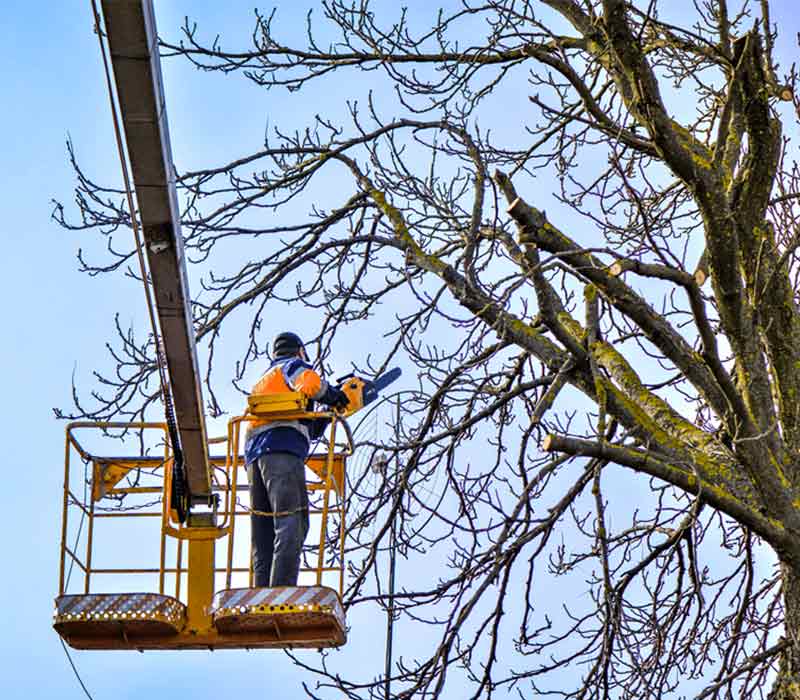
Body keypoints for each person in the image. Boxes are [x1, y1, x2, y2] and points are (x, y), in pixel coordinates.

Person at [244, 331, 349, 587]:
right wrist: (335, 395)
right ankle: (280, 591)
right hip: (282, 450)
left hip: (255, 458)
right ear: (300, 351)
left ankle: (261, 593)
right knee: (293, 521)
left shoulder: (265, 381)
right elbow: (312, 384)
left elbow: (307, 428)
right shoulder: (291, 367)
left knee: (264, 531)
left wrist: (326, 413)